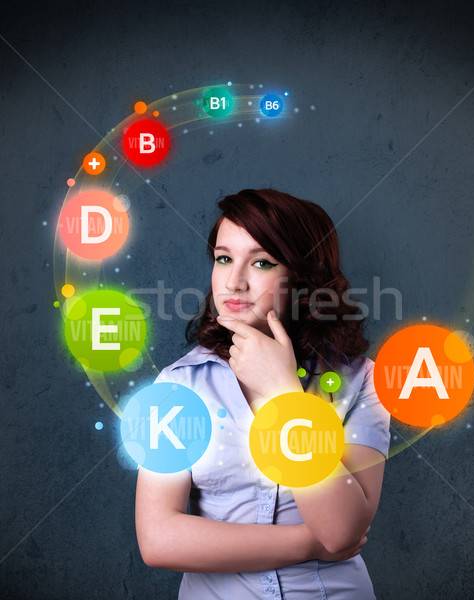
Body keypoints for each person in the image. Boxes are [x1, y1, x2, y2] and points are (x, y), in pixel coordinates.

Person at [135, 188, 391, 599]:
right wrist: (308, 544)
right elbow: (158, 539)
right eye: (223, 258)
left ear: (304, 280)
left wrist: (283, 395)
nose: (234, 281)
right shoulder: (178, 385)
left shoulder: (362, 381)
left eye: (262, 262)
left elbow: (342, 529)